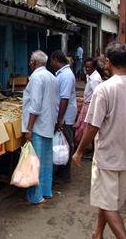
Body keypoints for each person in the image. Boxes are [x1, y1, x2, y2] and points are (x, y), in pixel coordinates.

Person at [72, 42, 126, 239]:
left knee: (108, 205)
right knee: (109, 202)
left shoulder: (104, 89)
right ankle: (97, 233)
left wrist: (80, 150)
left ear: (108, 62)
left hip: (107, 158)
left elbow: (93, 126)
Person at [22, 50, 59, 204]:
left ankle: (35, 196)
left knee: (35, 162)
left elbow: (35, 105)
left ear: (34, 63)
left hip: (37, 126)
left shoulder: (36, 77)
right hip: (48, 124)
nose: (30, 65)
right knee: (45, 162)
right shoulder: (52, 77)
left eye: (31, 62)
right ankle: (46, 191)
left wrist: (29, 128)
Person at [50, 50, 77, 180]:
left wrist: (60, 119)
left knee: (66, 141)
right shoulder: (62, 74)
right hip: (63, 115)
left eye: (52, 61)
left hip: (65, 117)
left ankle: (65, 172)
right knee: (62, 141)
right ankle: (61, 169)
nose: (51, 64)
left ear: (56, 60)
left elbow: (64, 98)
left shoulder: (66, 75)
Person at [75, 58, 102, 146]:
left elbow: (97, 96)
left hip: (90, 106)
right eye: (85, 67)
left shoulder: (95, 79)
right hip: (87, 104)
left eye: (89, 67)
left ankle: (90, 148)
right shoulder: (90, 76)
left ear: (94, 67)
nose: (86, 69)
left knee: (88, 128)